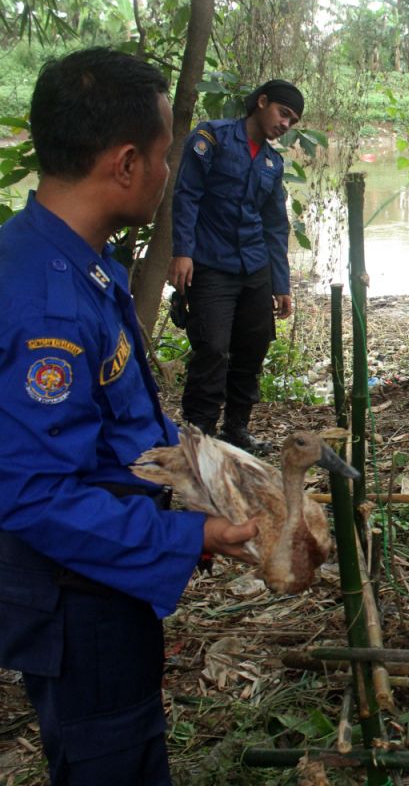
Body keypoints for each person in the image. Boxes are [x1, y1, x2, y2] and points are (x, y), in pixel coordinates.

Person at [0, 48, 258, 785]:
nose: (167, 172)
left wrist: (209, 487)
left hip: (107, 577)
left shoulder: (77, 264)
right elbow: (37, 494)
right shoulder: (42, 303)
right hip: (76, 601)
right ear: (124, 164)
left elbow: (113, 435)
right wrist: (187, 533)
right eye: (162, 155)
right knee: (111, 761)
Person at [170, 79, 304, 454]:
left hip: (255, 268)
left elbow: (276, 225)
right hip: (211, 264)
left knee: (253, 347)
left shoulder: (271, 163)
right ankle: (199, 436)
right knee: (212, 348)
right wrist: (182, 251)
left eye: (292, 121)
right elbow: (187, 195)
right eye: (283, 113)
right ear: (261, 102)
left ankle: (236, 428)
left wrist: (282, 284)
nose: (285, 125)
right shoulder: (210, 138)